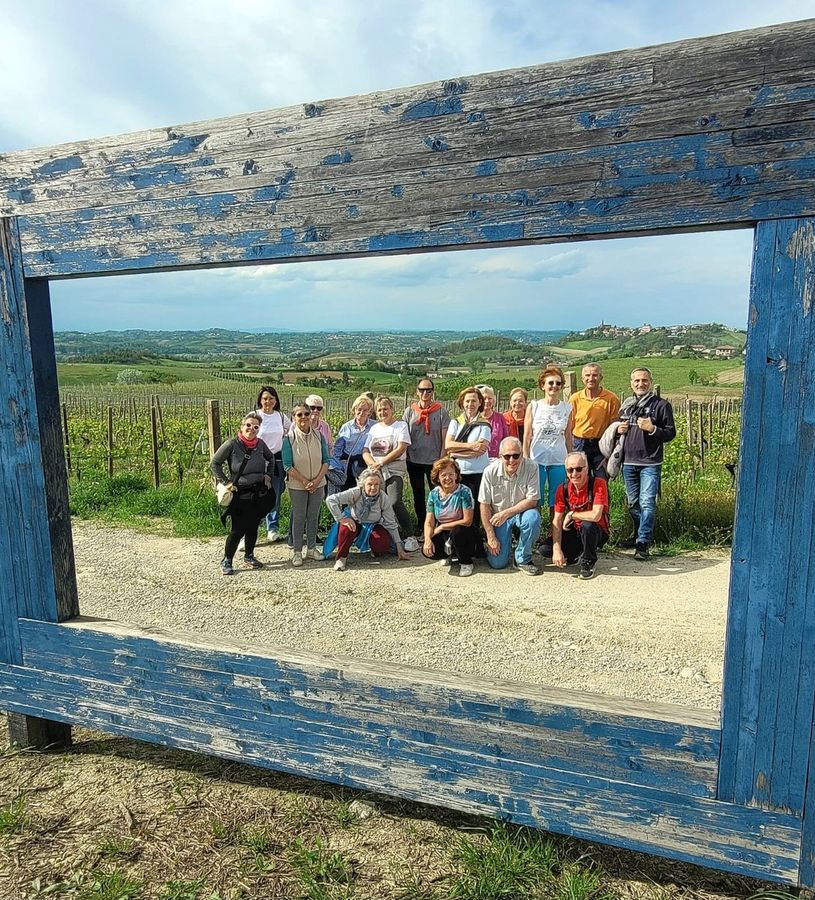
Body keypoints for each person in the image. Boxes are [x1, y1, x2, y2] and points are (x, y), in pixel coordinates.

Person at [616, 367, 676, 560]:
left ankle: (643, 543)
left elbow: (670, 433)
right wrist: (619, 430)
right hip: (628, 462)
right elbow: (619, 433)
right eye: (637, 381)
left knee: (647, 503)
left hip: (650, 462)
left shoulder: (661, 405)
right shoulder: (627, 406)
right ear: (631, 383)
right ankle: (638, 535)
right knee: (633, 504)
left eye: (644, 380)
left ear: (650, 382)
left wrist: (652, 429)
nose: (640, 384)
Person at [211, 412, 275, 576]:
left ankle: (249, 556)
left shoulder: (260, 444)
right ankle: (227, 559)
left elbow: (271, 459)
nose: (251, 429)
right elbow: (215, 463)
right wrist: (226, 482)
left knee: (253, 526)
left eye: (255, 427)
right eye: (248, 425)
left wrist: (268, 475)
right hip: (240, 493)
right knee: (238, 529)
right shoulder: (232, 444)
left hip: (257, 492)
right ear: (242, 426)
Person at [524, 365, 573, 554]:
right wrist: (527, 459)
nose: (554, 386)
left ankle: (554, 541)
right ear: (542, 385)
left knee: (556, 503)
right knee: (535, 501)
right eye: (550, 383)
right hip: (537, 460)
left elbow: (568, 437)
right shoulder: (534, 406)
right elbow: (527, 435)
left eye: (558, 383)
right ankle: (532, 539)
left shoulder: (567, 408)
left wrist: (570, 461)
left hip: (559, 460)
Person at [326, 468, 412, 571]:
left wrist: (399, 548)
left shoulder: (383, 497)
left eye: (376, 484)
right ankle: (341, 558)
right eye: (369, 484)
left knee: (382, 543)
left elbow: (391, 523)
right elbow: (331, 500)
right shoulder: (355, 492)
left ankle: (375, 551)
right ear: (363, 484)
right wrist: (341, 519)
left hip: (373, 525)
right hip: (355, 521)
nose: (373, 487)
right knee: (346, 528)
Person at [478, 437, 541, 575]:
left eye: (516, 455)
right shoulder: (490, 471)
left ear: (522, 455)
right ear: (500, 456)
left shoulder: (532, 466)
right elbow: (484, 505)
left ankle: (522, 558)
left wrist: (506, 513)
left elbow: (532, 501)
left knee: (533, 518)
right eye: (507, 456)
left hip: (522, 513)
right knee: (498, 564)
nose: (511, 460)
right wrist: (491, 536)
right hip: (499, 518)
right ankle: (492, 544)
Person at [363, 396, 418, 550]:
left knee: (394, 501)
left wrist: (382, 462)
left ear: (392, 409)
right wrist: (372, 464)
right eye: (379, 410)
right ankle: (381, 537)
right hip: (376, 472)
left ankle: (409, 535)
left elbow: (401, 448)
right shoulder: (374, 429)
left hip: (393, 470)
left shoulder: (400, 426)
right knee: (376, 503)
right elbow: (365, 450)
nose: (382, 412)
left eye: (385, 409)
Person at [282, 402, 329, 566]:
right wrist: (304, 481)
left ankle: (311, 548)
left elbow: (326, 461)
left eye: (306, 414)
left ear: (311, 416)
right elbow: (287, 465)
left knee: (313, 516)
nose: (303, 417)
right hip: (297, 484)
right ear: (293, 418)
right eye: (299, 414)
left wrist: (316, 481)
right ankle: (297, 551)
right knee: (299, 517)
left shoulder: (319, 436)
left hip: (318, 483)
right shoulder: (289, 439)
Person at [551, 451, 610, 580]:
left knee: (587, 526)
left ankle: (588, 561)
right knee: (545, 549)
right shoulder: (563, 488)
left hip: (596, 531)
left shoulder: (598, 484)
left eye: (578, 469)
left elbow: (596, 516)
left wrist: (572, 515)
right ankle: (574, 555)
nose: (574, 474)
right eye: (570, 470)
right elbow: (557, 520)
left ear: (587, 469)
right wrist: (556, 549)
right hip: (575, 530)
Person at [402, 378, 450, 529]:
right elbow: (404, 435)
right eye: (422, 390)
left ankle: (438, 525)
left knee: (437, 495)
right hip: (414, 460)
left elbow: (445, 439)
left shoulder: (441, 412)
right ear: (417, 392)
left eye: (428, 390)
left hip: (434, 462)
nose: (425, 393)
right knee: (418, 494)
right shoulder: (410, 411)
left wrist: (442, 460)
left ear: (432, 392)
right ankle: (423, 526)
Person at [422, 457, 481, 577]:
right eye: (443, 475)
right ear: (437, 477)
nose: (447, 478)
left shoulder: (464, 491)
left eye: (451, 474)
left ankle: (466, 562)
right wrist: (427, 540)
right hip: (445, 533)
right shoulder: (433, 494)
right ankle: (449, 554)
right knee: (427, 550)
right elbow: (429, 522)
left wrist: (442, 526)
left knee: (457, 532)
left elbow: (467, 521)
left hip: (464, 531)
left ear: (456, 475)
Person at [568, 363, 621, 476]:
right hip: (579, 444)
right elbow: (569, 427)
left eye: (595, 375)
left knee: (601, 478)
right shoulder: (575, 399)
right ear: (582, 379)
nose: (591, 379)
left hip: (601, 444)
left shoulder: (611, 399)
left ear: (601, 378)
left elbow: (614, 427)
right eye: (587, 375)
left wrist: (611, 451)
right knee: (579, 478)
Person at [254, 385, 290, 543]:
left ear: (276, 400)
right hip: (258, 460)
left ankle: (272, 528)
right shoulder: (254, 415)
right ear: (260, 400)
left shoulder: (281, 416)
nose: (267, 401)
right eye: (265, 398)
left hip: (277, 460)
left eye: (271, 398)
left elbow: (291, 430)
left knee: (275, 494)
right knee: (254, 495)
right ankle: (251, 527)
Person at [445, 387, 492, 500]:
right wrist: (471, 446)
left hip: (478, 472)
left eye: (474, 401)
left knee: (475, 508)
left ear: (480, 402)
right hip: (457, 473)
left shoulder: (484, 425)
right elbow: (448, 445)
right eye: (467, 401)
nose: (470, 404)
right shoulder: (455, 422)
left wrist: (455, 453)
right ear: (462, 402)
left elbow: (480, 451)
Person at [328, 394, 375, 494]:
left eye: (365, 410)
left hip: (366, 466)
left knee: (364, 494)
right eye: (359, 409)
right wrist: (336, 467)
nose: (361, 412)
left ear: (369, 412)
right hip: (348, 466)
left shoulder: (375, 427)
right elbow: (338, 450)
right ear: (354, 409)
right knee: (347, 495)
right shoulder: (346, 427)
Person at [476, 384, 509, 458]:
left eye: (490, 398)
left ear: (494, 400)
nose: (487, 401)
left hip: (496, 460)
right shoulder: (474, 418)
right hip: (477, 459)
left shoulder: (500, 418)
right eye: (484, 398)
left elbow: (506, 439)